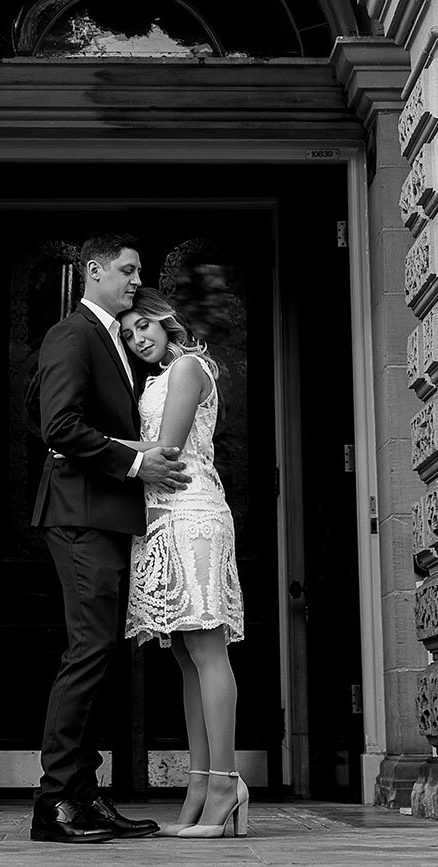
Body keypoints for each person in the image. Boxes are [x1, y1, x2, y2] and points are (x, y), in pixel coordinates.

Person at [27, 234, 191, 845]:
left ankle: (84, 797)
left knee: (97, 655)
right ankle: (53, 804)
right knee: (88, 652)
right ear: (93, 271)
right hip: (80, 515)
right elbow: (57, 423)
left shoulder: (108, 339)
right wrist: (131, 462)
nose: (133, 280)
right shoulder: (72, 332)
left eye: (137, 271)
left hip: (104, 516)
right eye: (127, 270)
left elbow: (41, 413)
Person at [120, 285, 250, 839]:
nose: (137, 337)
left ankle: (225, 782)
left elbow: (167, 451)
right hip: (159, 518)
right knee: (185, 656)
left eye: (143, 325)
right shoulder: (157, 378)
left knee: (207, 649)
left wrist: (89, 447)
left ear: (165, 319)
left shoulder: (189, 368)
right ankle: (199, 783)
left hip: (191, 513)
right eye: (127, 334)